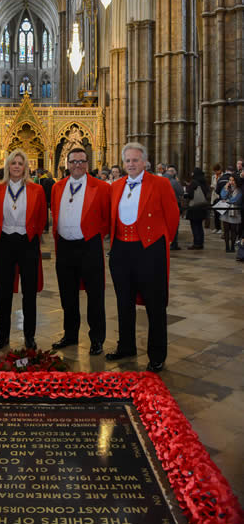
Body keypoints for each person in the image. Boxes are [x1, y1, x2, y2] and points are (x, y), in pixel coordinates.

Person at [106, 143, 179, 372]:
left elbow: (172, 214)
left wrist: (161, 242)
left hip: (148, 250)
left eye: (135, 160)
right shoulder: (116, 185)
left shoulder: (160, 183)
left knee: (155, 304)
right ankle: (126, 346)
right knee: (123, 302)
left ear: (145, 162)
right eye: (127, 160)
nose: (131, 164)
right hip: (121, 251)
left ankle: (157, 353)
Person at [50, 146, 111, 355]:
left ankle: (96, 339)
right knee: (67, 294)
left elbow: (107, 218)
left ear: (88, 164)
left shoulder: (101, 187)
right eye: (74, 161)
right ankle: (70, 335)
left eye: (82, 161)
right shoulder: (58, 187)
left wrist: (94, 234)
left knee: (95, 295)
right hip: (65, 246)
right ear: (67, 165)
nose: (78, 165)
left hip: (89, 246)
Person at [0, 149, 47, 351]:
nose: (16, 167)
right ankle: (2, 336)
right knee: (3, 292)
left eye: (20, 163)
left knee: (29, 293)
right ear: (8, 166)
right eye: (13, 163)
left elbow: (41, 218)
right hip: (5, 243)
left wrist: (32, 236)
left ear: (25, 167)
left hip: (27, 243)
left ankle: (29, 337)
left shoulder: (36, 190)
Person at [185, 168, 209, 250]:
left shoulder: (194, 182)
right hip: (202, 207)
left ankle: (196, 243)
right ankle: (200, 242)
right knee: (199, 226)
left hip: (195, 207)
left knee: (195, 226)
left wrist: (188, 188)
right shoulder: (204, 182)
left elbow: (190, 194)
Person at [219, 175, 242, 253]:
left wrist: (227, 200)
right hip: (226, 211)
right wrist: (225, 189)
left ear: (236, 181)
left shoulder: (239, 190)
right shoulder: (226, 188)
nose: (231, 182)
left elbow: (236, 199)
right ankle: (227, 246)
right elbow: (222, 196)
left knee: (233, 230)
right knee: (226, 230)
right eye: (230, 180)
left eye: (233, 180)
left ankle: (232, 246)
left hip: (234, 212)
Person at [164, 166, 183, 250]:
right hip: (173, 205)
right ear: (173, 173)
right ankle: (173, 243)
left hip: (162, 206)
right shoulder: (174, 182)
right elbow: (181, 192)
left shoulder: (160, 180)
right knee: (174, 224)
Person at [210, 163, 223, 233]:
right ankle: (216, 227)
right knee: (215, 212)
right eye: (215, 171)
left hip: (220, 195)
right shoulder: (213, 176)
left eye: (216, 170)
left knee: (220, 212)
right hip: (214, 195)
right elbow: (212, 184)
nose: (215, 172)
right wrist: (212, 186)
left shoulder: (223, 176)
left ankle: (220, 228)